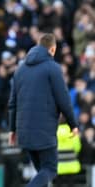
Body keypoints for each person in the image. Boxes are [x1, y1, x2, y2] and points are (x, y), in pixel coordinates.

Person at [8, 33, 79, 187]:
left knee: (42, 173)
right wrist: (73, 124)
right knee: (50, 169)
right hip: (44, 132)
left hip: (24, 133)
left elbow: (12, 103)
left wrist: (12, 129)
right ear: (52, 49)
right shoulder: (53, 68)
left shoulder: (20, 70)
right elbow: (64, 99)